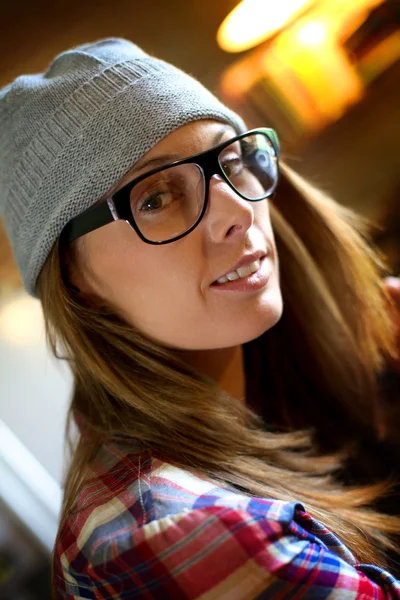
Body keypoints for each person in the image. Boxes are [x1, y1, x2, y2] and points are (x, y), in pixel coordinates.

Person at [1, 37, 400, 599]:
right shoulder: (170, 533)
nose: (239, 212)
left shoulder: (288, 361)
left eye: (230, 159)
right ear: (74, 278)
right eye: (157, 197)